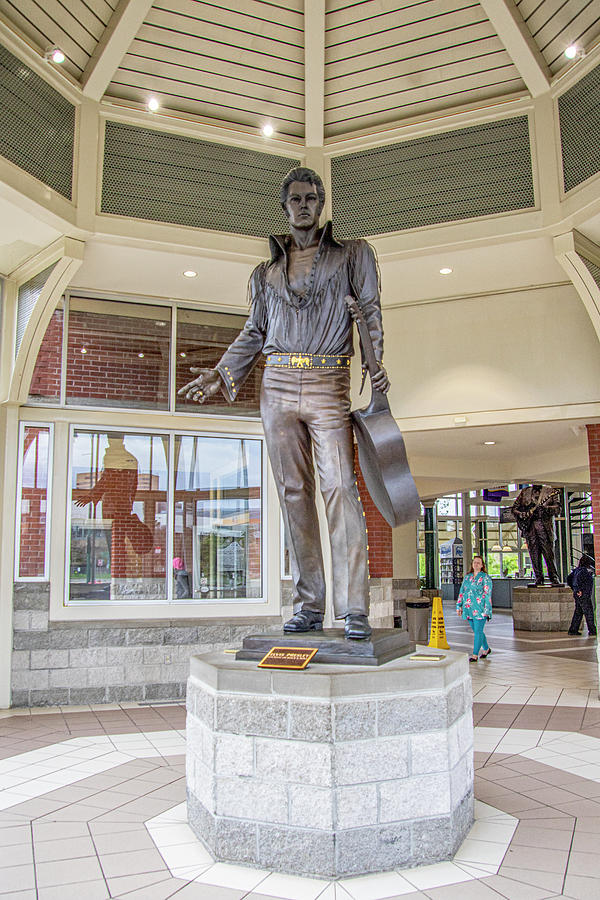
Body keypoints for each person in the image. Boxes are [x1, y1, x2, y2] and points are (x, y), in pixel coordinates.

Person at [179, 167, 389, 639]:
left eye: (313, 197)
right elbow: (255, 331)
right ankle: (309, 605)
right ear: (284, 205)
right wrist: (223, 372)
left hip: (328, 380)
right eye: (296, 198)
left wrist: (374, 366)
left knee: (339, 489)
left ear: (322, 203)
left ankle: (354, 608)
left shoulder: (352, 256)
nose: (304, 205)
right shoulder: (266, 273)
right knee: (294, 495)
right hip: (275, 384)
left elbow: (371, 312)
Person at [511, 484, 561, 585]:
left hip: (545, 528)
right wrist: (522, 514)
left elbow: (558, 509)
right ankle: (538, 577)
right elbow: (514, 509)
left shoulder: (550, 491)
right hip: (530, 528)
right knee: (534, 554)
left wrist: (546, 509)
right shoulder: (525, 492)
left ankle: (553, 577)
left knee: (549, 554)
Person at [456, 555, 493, 662]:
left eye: (478, 563)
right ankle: (486, 649)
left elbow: (487, 594)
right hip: (468, 608)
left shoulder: (485, 578)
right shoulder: (467, 577)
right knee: (477, 631)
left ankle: (475, 655)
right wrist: (459, 605)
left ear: (482, 565)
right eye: (474, 562)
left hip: (480, 609)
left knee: (478, 631)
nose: (476, 564)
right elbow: (462, 591)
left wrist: (487, 610)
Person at [567, 554, 597, 636]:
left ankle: (573, 630)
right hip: (583, 595)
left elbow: (569, 579)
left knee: (578, 613)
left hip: (579, 595)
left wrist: (574, 589)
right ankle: (592, 630)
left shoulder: (577, 570)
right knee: (589, 613)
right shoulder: (583, 571)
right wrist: (578, 590)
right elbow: (577, 581)